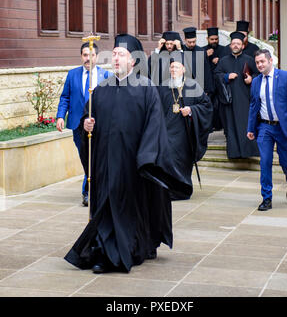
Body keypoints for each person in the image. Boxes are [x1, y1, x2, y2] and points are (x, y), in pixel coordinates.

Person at [64, 34, 191, 274]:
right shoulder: (100, 90)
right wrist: (86, 126)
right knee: (105, 208)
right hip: (105, 165)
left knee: (127, 211)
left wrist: (145, 159)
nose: (115, 57)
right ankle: (103, 252)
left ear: (133, 61)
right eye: (113, 54)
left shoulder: (146, 89)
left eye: (120, 54)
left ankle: (129, 250)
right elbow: (87, 122)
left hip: (133, 166)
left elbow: (155, 129)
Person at [56, 42, 111, 206]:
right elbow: (65, 97)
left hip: (99, 125)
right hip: (78, 125)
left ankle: (89, 192)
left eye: (91, 55)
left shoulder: (106, 76)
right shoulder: (72, 75)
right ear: (81, 56)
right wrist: (60, 116)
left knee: (97, 158)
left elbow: (111, 100)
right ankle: (90, 190)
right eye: (85, 55)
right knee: (85, 158)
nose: (88, 58)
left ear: (97, 57)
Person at [247, 49, 287, 211]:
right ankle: (267, 198)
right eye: (257, 63)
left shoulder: (285, 77)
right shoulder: (256, 82)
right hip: (264, 127)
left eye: (262, 61)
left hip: (284, 127)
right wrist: (250, 128)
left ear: (271, 61)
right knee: (265, 161)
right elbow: (253, 106)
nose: (259, 65)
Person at [157, 54, 213, 199]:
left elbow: (207, 106)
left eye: (176, 67)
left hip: (184, 133)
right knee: (166, 162)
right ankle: (168, 191)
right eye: (171, 67)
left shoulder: (193, 85)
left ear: (183, 69)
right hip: (167, 132)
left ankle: (182, 190)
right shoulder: (163, 86)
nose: (173, 70)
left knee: (181, 161)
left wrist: (191, 110)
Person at [214, 31, 259, 159]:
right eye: (233, 43)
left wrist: (251, 79)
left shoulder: (249, 60)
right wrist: (227, 76)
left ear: (242, 46)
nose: (235, 46)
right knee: (231, 126)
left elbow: (259, 75)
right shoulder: (223, 61)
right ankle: (234, 153)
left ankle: (248, 153)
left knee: (245, 125)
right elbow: (216, 76)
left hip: (245, 100)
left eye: (238, 44)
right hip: (229, 101)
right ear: (230, 46)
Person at [200, 27, 228, 130]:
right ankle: (209, 126)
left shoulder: (224, 49)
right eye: (212, 39)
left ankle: (221, 126)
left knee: (221, 105)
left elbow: (227, 61)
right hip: (208, 83)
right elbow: (197, 65)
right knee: (209, 104)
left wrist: (220, 60)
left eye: (216, 39)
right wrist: (205, 55)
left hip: (220, 83)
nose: (214, 41)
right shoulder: (202, 50)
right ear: (207, 39)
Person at [182, 27, 214, 97]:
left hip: (199, 86)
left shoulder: (201, 51)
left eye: (194, 41)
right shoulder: (181, 50)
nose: (192, 44)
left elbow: (206, 71)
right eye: (189, 42)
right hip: (184, 86)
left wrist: (207, 90)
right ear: (185, 40)